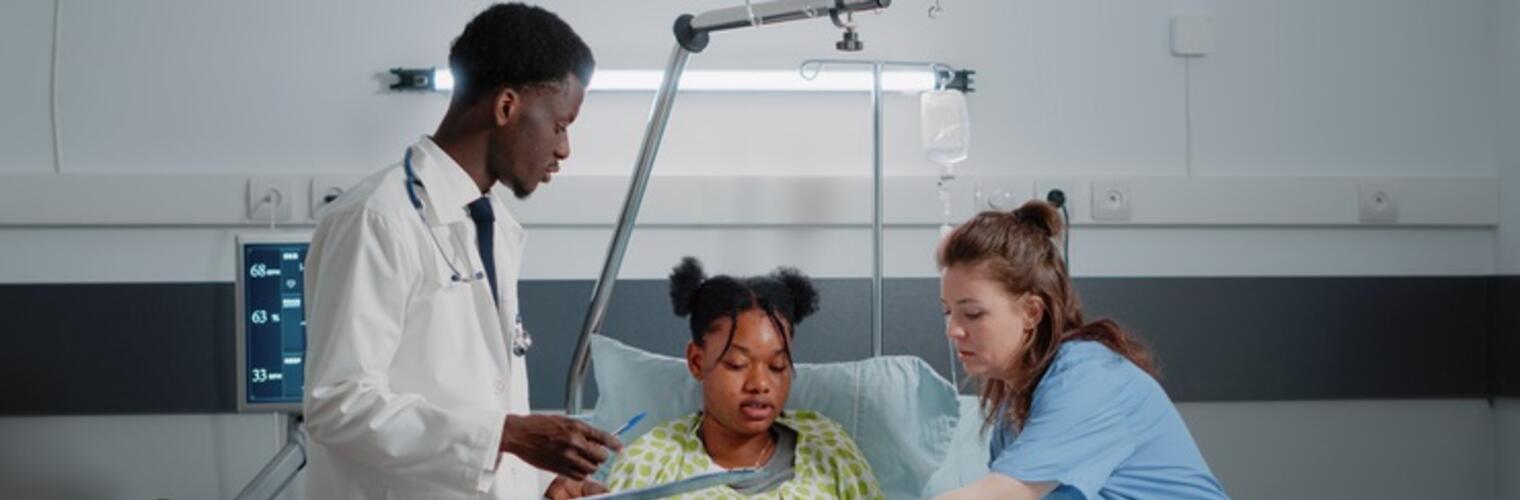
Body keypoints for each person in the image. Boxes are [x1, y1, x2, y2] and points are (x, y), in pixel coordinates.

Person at [302, 4, 619, 499]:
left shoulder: (487, 226)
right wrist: (509, 434)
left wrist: (543, 483)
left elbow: (477, 399)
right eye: (560, 124)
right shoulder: (377, 218)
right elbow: (339, 404)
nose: (564, 148)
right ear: (507, 106)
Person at [933, 202, 1229, 500]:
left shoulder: (1088, 378)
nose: (953, 330)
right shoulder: (1013, 415)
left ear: (1031, 313)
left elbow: (1003, 494)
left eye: (972, 313)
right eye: (947, 312)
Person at [604, 257, 884, 499]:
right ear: (697, 361)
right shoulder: (651, 464)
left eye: (777, 366)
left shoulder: (828, 447)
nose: (760, 384)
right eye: (737, 364)